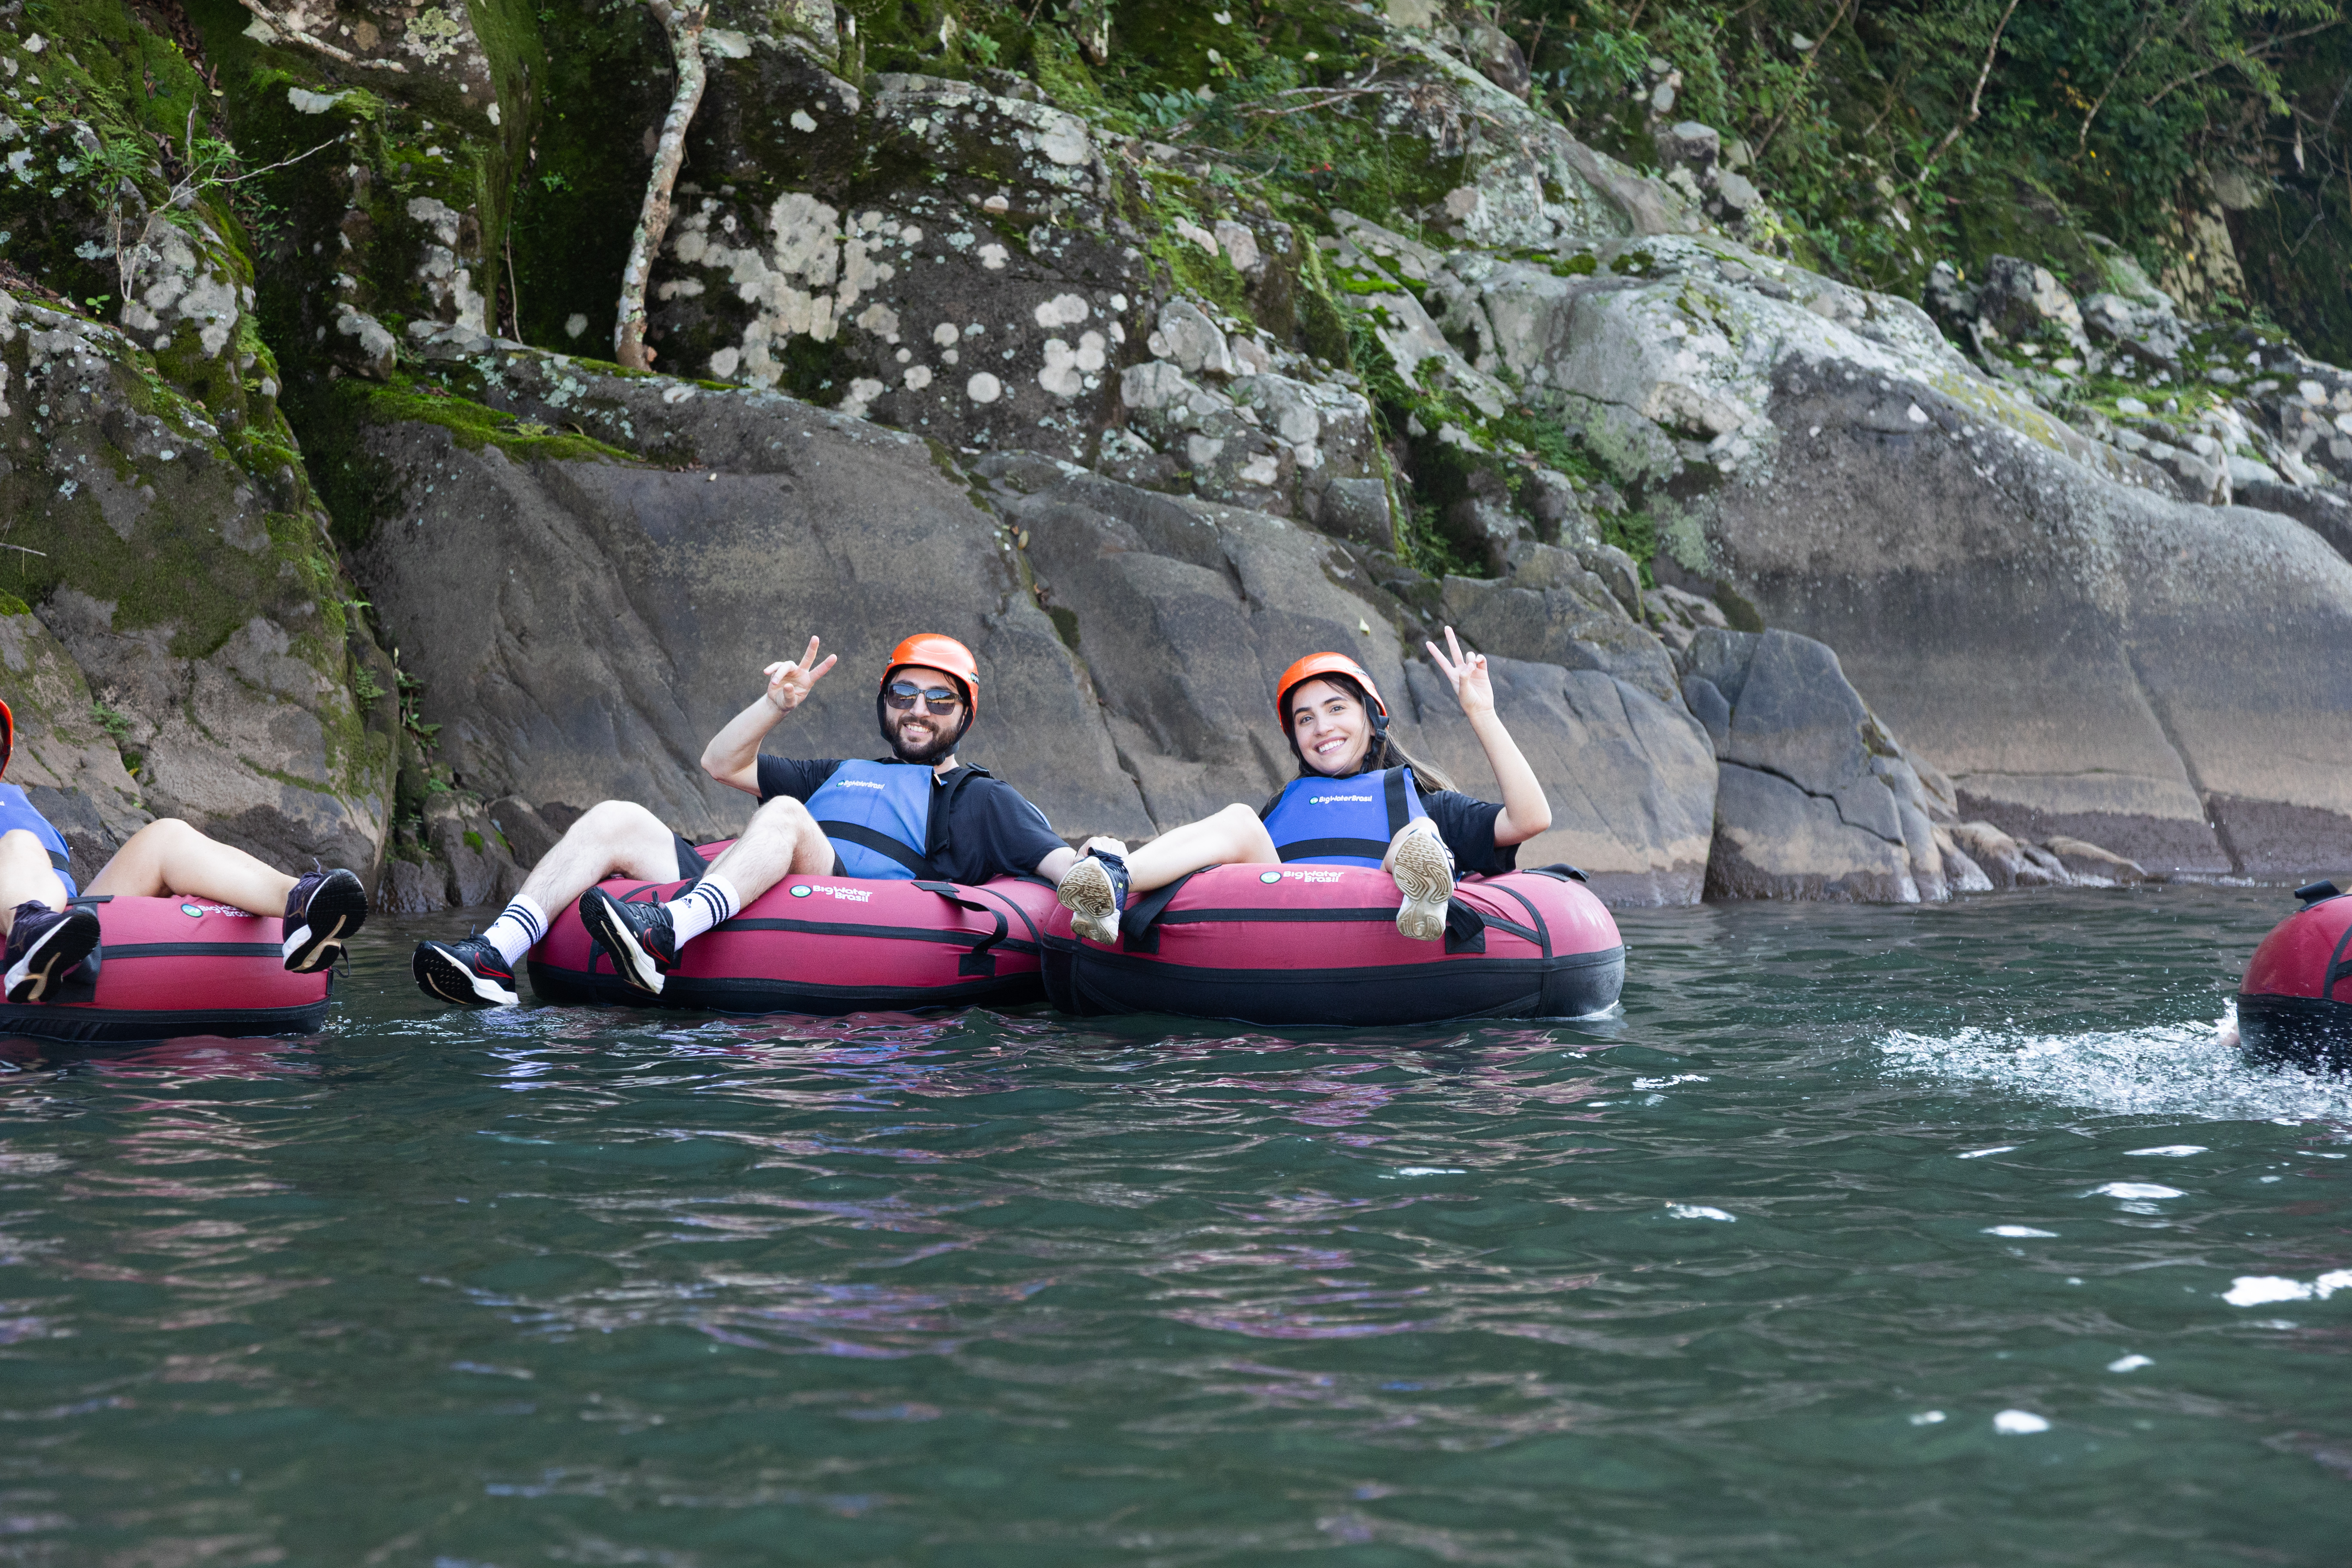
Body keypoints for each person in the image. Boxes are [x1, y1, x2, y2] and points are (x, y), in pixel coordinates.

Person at [411, 634, 1084, 1005]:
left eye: (940, 699)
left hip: (853, 896)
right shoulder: (838, 771)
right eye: (905, 693)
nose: (918, 709)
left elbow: (1061, 870)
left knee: (786, 816)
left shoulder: (982, 798)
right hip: (754, 878)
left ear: (965, 715)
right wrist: (774, 706)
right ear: (885, 702)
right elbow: (719, 762)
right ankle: (494, 956)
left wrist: (1107, 873)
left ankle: (666, 935)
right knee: (618, 815)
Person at [1055, 628, 1552, 944]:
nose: (1323, 728)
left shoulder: (1422, 801)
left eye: (1337, 708)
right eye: (1306, 719)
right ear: (1294, 738)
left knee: (1413, 836)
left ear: (1372, 718)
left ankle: (1424, 885)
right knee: (1238, 820)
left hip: (1383, 936)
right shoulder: (1281, 809)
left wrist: (1481, 713)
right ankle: (1115, 877)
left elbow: (1531, 819)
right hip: (1282, 931)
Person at [0, 698, 367, 1004]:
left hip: (65, 923)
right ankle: (27, 936)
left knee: (166, 835)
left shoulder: (15, 801)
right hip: (21, 920)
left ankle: (302, 901)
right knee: (21, 843)